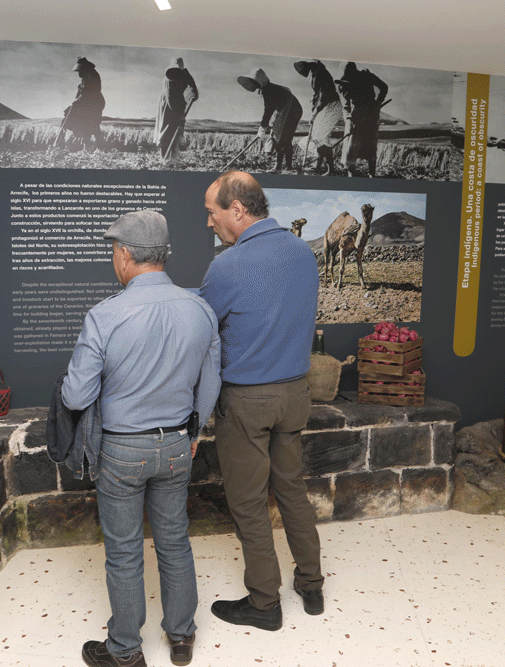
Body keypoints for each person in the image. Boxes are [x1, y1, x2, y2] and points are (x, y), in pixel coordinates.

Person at [62, 210, 221, 667]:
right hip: (176, 445)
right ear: (163, 254)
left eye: (115, 251)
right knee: (174, 540)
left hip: (121, 449)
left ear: (125, 255)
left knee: (125, 550)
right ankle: (182, 637)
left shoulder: (105, 314)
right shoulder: (200, 308)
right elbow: (210, 382)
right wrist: (195, 430)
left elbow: (76, 395)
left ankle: (126, 650)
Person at [199, 171, 324, 633]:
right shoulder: (303, 251)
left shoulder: (228, 265)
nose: (209, 223)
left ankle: (264, 603)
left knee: (249, 502)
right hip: (295, 394)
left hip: (248, 400)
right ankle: (311, 585)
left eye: (212, 213)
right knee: (292, 489)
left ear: (236, 210)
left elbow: (203, 325)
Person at [236, 68, 303, 172]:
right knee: (285, 138)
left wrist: (262, 128)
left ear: (259, 82)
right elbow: (269, 110)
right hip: (292, 110)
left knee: (281, 138)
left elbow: (268, 111)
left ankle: (278, 167)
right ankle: (288, 167)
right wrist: (264, 127)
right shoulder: (268, 89)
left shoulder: (269, 91)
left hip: (292, 111)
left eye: (254, 82)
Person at [334, 62, 388, 177]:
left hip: (371, 113)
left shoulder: (367, 76)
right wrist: (348, 118)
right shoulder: (343, 85)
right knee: (351, 144)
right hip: (355, 114)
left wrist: (378, 103)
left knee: (370, 143)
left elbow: (384, 87)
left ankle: (371, 173)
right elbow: (345, 106)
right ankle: (351, 173)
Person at [294, 59, 342, 174]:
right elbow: (318, 95)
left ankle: (323, 168)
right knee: (323, 139)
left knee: (317, 136)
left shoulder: (321, 74)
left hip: (331, 106)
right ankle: (324, 168)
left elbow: (323, 96)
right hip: (327, 106)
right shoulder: (317, 73)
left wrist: (315, 112)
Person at [155, 57, 199, 165]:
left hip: (178, 103)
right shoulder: (167, 80)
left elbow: (192, 84)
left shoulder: (184, 74)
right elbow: (170, 99)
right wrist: (179, 115)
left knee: (176, 129)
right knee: (167, 130)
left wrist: (194, 94)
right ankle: (164, 159)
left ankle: (173, 158)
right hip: (167, 107)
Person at [58, 56, 106, 151]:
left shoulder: (91, 76)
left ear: (84, 68)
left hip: (94, 103)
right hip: (87, 102)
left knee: (91, 125)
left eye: (80, 70)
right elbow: (80, 93)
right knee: (88, 125)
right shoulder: (86, 76)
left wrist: (76, 102)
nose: (79, 73)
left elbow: (87, 93)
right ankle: (62, 144)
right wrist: (74, 103)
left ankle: (97, 148)